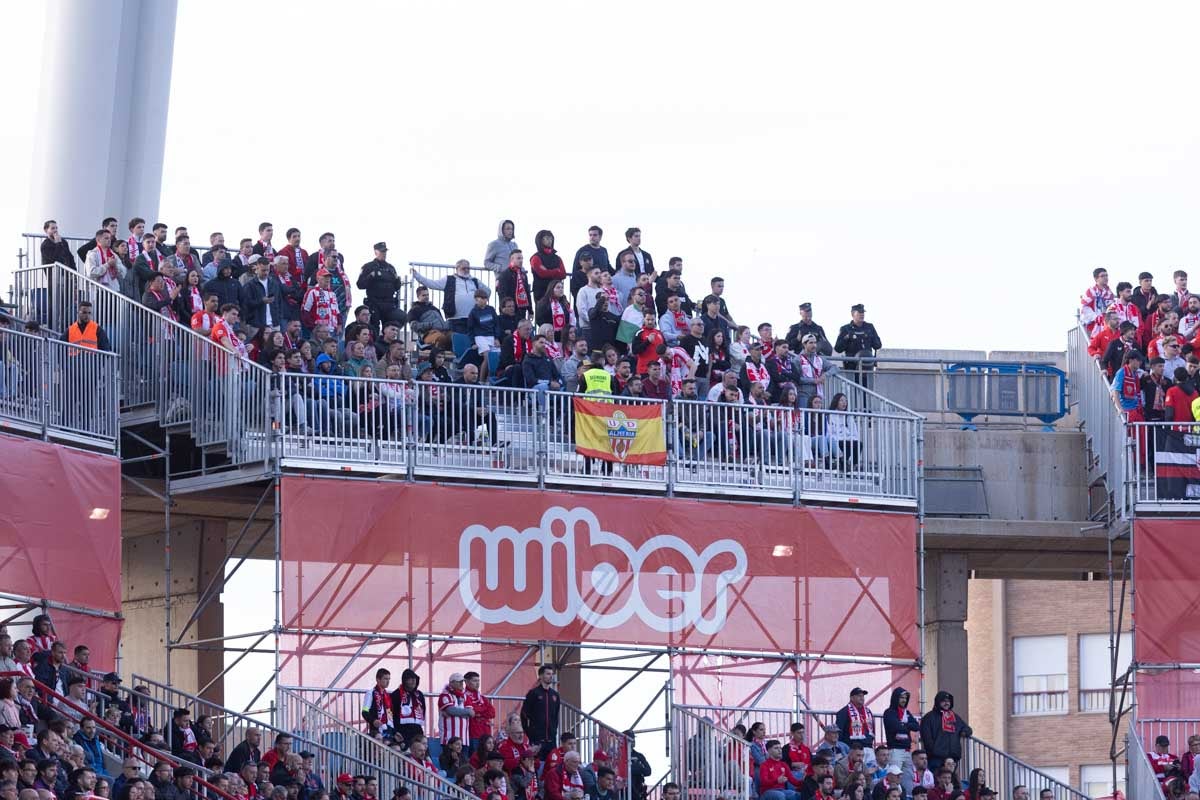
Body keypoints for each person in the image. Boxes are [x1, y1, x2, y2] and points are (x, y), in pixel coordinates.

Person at [919, 691, 971, 773]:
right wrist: (933, 751)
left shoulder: (955, 717)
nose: (946, 703)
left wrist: (964, 732)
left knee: (950, 782)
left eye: (948, 701)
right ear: (938, 702)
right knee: (936, 783)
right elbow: (926, 737)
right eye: (943, 701)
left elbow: (968, 729)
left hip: (952, 757)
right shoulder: (929, 717)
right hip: (936, 758)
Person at [357, 243, 401, 335]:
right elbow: (360, 285)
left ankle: (388, 348)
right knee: (374, 328)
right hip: (374, 303)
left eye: (385, 251)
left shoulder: (391, 268)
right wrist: (371, 276)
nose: (384, 254)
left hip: (389, 303)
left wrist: (398, 280)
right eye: (381, 251)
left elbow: (397, 286)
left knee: (390, 327)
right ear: (376, 252)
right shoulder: (368, 266)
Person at [835, 304, 882, 387]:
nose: (862, 314)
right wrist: (847, 338)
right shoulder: (846, 329)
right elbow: (838, 348)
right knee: (853, 393)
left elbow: (878, 345)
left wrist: (870, 336)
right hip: (852, 368)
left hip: (867, 368)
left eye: (863, 312)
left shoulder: (869, 327)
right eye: (859, 312)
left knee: (867, 394)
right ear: (853, 314)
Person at [520, 665, 560, 760]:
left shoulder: (555, 695)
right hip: (537, 739)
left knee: (552, 765)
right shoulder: (533, 693)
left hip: (551, 740)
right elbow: (524, 714)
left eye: (552, 674)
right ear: (541, 676)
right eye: (548, 674)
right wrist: (529, 732)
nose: (551, 676)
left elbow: (556, 716)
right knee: (538, 766)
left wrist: (554, 730)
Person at [882, 687, 919, 776]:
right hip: (895, 750)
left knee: (908, 779)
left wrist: (903, 724)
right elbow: (895, 727)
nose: (904, 700)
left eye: (905, 698)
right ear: (896, 698)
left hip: (907, 750)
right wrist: (906, 725)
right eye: (902, 697)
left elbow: (916, 726)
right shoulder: (889, 712)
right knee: (894, 778)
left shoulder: (907, 713)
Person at [390, 669, 426, 748]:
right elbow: (392, 714)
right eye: (410, 678)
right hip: (402, 731)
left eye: (415, 678)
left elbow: (423, 712)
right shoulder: (396, 695)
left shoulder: (419, 695)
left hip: (417, 731)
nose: (413, 681)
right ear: (404, 680)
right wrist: (395, 731)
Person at [529, 230, 567, 302]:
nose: (549, 240)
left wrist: (548, 271)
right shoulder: (535, 258)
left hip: (557, 293)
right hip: (541, 292)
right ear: (540, 240)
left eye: (551, 238)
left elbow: (563, 274)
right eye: (546, 238)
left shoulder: (557, 258)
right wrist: (556, 271)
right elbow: (542, 273)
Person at [438, 673, 473, 747]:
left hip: (464, 739)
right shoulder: (445, 695)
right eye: (458, 682)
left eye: (462, 682)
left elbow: (471, 713)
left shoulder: (466, 697)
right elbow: (450, 710)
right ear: (451, 683)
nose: (461, 684)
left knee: (464, 758)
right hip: (448, 739)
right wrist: (465, 712)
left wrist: (455, 713)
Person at [497, 250, 533, 319]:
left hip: (522, 309)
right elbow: (502, 293)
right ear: (511, 259)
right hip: (510, 310)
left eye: (522, 258)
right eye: (518, 258)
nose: (521, 261)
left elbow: (527, 293)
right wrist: (504, 308)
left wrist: (530, 311)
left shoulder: (523, 274)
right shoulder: (505, 274)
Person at [1080, 267, 1115, 336]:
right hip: (1093, 325)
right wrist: (1096, 318)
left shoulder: (1109, 293)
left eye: (1106, 275)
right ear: (1096, 279)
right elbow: (1085, 308)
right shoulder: (1091, 291)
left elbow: (1112, 308)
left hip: (1107, 325)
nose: (1105, 278)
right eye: (1102, 276)